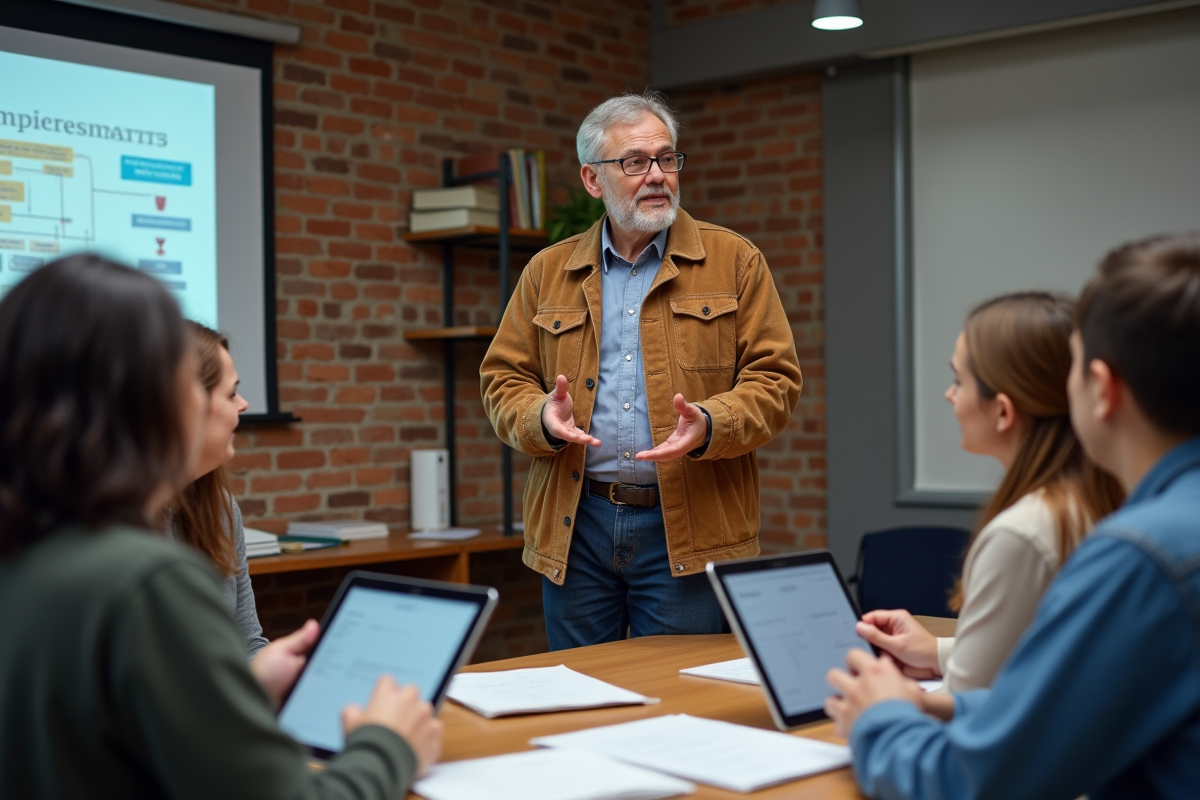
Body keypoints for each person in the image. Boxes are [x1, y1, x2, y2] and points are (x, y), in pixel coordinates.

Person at [0, 255, 441, 799]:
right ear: (146, 397)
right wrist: (387, 744)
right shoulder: (144, 581)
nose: (239, 405)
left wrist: (236, 690)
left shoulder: (31, 549)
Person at [825, 233, 1200, 800]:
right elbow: (1078, 702)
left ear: (1101, 388)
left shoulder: (1142, 556)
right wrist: (937, 688)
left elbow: (976, 783)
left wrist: (883, 718)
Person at [480, 92, 803, 650]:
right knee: (581, 699)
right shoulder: (546, 272)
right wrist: (540, 417)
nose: (657, 176)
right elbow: (501, 381)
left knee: (679, 704)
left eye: (667, 158)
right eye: (635, 161)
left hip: (688, 526)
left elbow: (776, 380)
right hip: (575, 524)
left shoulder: (736, 261)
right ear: (592, 178)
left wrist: (709, 421)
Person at [855, 293, 1122, 691]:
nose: (950, 396)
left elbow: (970, 721)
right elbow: (1040, 651)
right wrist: (941, 653)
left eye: (959, 381)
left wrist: (887, 703)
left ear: (1002, 411)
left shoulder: (1022, 535)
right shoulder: (1095, 504)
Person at [167, 321, 267, 655]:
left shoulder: (220, 508)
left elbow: (247, 644)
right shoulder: (100, 535)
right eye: (230, 393)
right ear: (185, 406)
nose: (244, 405)